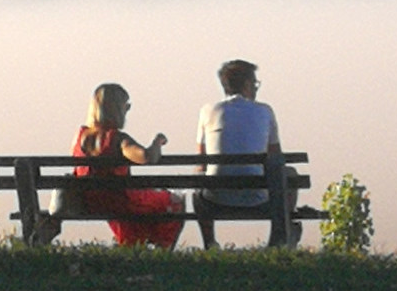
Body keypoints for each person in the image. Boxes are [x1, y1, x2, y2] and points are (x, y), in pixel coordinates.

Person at [193, 59, 300, 249]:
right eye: (255, 83)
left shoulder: (208, 111)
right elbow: (275, 157)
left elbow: (201, 162)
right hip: (257, 198)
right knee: (289, 174)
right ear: (247, 84)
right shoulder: (265, 111)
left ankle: (210, 243)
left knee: (197, 183)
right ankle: (279, 237)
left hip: (215, 199)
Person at [71, 83, 184, 249]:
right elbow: (146, 157)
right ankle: (163, 250)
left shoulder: (79, 137)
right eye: (127, 106)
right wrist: (158, 142)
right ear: (117, 109)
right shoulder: (117, 139)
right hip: (118, 201)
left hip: (89, 201)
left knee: (138, 206)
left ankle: (133, 245)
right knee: (175, 201)